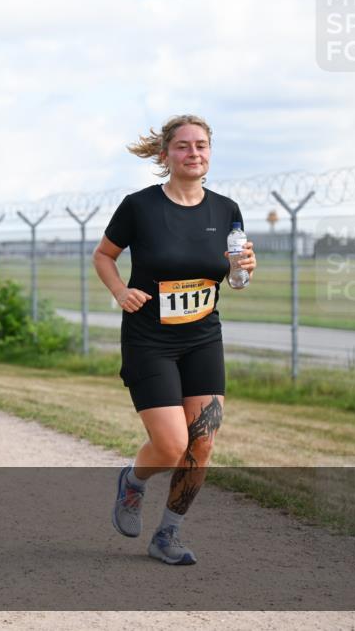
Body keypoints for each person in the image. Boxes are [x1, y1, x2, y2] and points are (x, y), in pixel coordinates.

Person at [93, 114, 257, 566]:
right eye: (183, 146)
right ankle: (133, 482)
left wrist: (245, 270)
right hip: (149, 339)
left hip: (203, 337)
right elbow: (104, 255)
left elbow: (236, 277)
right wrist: (120, 291)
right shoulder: (140, 206)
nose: (193, 153)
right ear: (165, 155)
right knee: (170, 446)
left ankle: (168, 534)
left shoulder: (226, 210)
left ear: (210, 152)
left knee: (201, 443)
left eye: (201, 145)